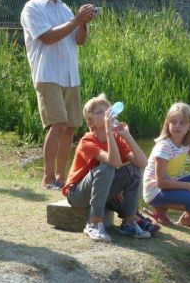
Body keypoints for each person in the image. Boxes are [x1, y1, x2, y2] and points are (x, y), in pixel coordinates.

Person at [20, 0, 96, 189]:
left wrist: (83, 24)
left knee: (70, 126)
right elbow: (48, 37)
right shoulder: (32, 8)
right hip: (48, 74)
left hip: (70, 75)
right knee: (58, 124)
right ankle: (47, 178)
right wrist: (76, 20)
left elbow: (80, 41)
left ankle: (62, 178)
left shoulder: (63, 8)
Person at [62, 94, 151, 242]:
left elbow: (142, 163)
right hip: (77, 194)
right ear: (90, 122)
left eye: (108, 110)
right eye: (100, 112)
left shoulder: (117, 139)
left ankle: (129, 223)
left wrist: (127, 136)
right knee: (107, 168)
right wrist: (110, 131)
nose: (106, 115)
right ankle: (94, 224)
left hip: (100, 187)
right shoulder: (87, 140)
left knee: (134, 169)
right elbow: (113, 162)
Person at [143, 103, 190, 234]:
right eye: (173, 121)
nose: (177, 125)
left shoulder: (188, 143)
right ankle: (160, 208)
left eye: (182, 122)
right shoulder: (164, 147)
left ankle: (187, 219)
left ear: (189, 126)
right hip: (155, 191)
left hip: (170, 185)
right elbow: (161, 182)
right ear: (167, 124)